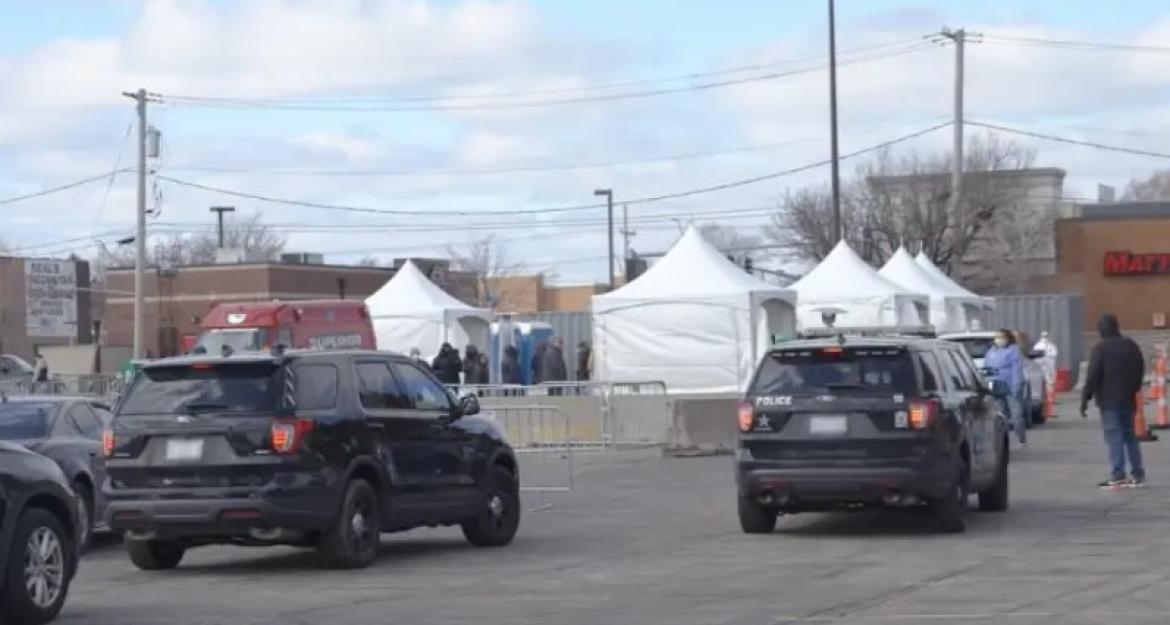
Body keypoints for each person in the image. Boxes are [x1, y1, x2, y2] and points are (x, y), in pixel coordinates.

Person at [1081, 314, 1146, 489]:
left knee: (1114, 437)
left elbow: (1093, 375)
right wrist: (1133, 389)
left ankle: (1118, 474)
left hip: (1109, 401)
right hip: (1128, 400)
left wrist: (1085, 397)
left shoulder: (1100, 349)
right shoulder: (1131, 346)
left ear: (1102, 329)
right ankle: (1138, 473)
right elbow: (1140, 368)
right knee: (1130, 436)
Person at [984, 329, 1027, 446]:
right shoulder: (991, 352)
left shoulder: (1013, 350)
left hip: (1010, 386)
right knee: (1001, 415)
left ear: (1007, 338)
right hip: (996, 386)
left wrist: (1017, 385)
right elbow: (987, 370)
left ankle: (1021, 438)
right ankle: (1004, 441)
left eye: (1001, 337)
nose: (998, 340)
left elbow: (1017, 369)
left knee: (1016, 415)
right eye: (996, 337)